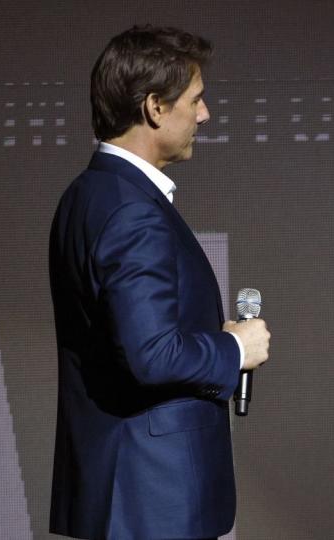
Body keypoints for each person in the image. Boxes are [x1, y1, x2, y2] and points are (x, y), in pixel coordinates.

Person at [48, 26, 271, 540]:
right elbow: (150, 354)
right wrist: (234, 347)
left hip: (124, 495)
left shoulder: (89, 194)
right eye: (195, 99)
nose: (204, 114)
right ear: (154, 107)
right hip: (151, 501)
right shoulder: (132, 211)